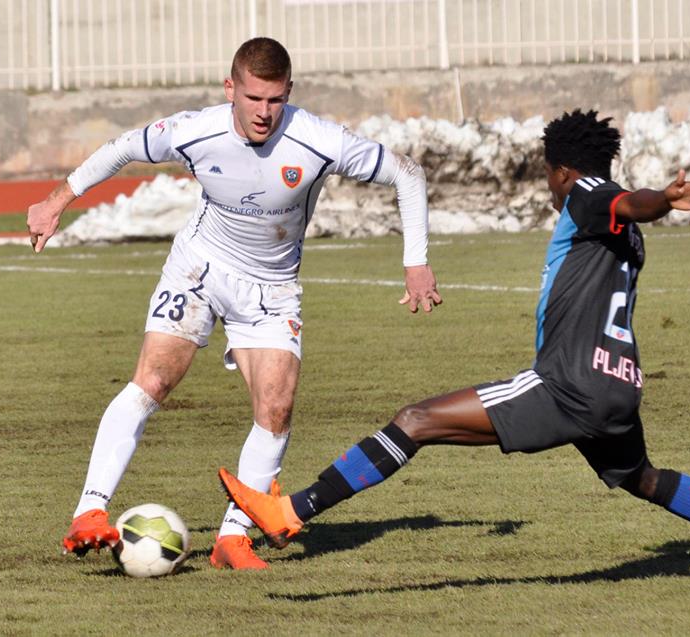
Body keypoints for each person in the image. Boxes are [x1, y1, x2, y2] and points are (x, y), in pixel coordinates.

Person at [218, 109, 690, 580]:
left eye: (548, 174)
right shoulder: (623, 234)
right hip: (619, 385)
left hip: (568, 384)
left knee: (415, 420)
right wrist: (652, 206)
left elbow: (629, 202)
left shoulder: (588, 194)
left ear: (562, 172)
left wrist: (662, 200)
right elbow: (628, 212)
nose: (549, 186)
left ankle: (290, 511)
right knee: (642, 478)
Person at [27, 37, 442, 570]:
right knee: (153, 381)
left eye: (275, 99)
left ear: (289, 92)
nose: (264, 112)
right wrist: (56, 202)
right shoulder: (196, 130)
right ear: (230, 89)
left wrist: (415, 262)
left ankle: (233, 538)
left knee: (276, 409)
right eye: (253, 98)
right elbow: (124, 147)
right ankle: (89, 511)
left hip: (272, 289)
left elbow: (407, 173)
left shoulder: (319, 139)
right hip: (198, 269)